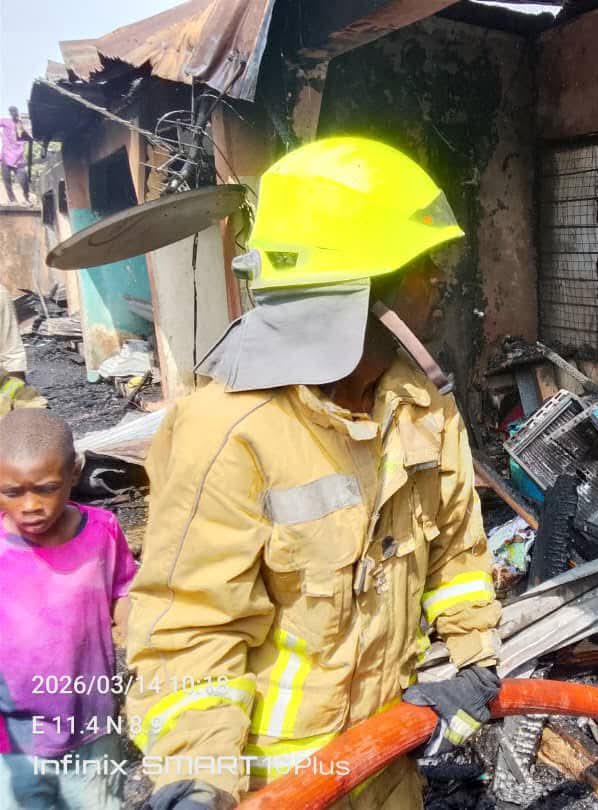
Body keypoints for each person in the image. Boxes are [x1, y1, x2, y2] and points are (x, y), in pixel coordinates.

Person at [125, 138, 502, 809]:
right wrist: (195, 774)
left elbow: (457, 556)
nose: (442, 286)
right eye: (424, 267)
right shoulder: (229, 433)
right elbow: (191, 629)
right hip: (278, 790)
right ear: (361, 292)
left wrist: (477, 664)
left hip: (387, 767)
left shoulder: (423, 411)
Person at [0, 408, 136, 809]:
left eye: (46, 488)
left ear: (74, 473)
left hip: (91, 723)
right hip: (13, 737)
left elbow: (125, 589)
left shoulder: (102, 531)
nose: (30, 505)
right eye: (12, 492)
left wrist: (139, 643)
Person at [0, 108, 30, 205]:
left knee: (24, 181)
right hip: (5, 157)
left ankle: (26, 198)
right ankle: (13, 200)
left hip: (18, 159)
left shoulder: (20, 126)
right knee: (7, 180)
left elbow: (26, 140)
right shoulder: (6, 122)